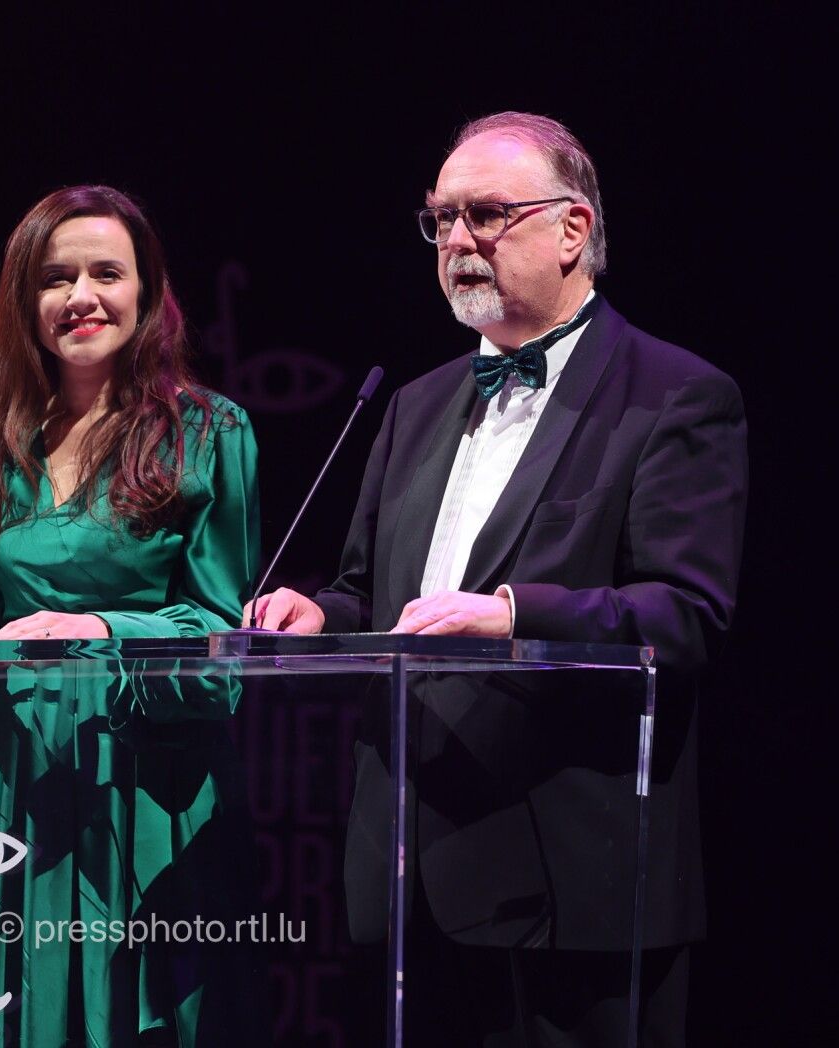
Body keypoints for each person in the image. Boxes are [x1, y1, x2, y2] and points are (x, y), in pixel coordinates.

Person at [251, 113, 747, 1045]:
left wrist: (515, 613)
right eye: (441, 219)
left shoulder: (676, 395)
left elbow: (684, 614)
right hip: (413, 874)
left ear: (572, 229)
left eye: (486, 214)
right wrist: (318, 613)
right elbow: (375, 593)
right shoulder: (413, 404)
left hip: (572, 886)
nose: (457, 240)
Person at [0, 185, 264, 1047]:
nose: (81, 296)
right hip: (12, 771)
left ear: (146, 292)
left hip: (145, 776)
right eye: (55, 278)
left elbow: (217, 638)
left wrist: (99, 632)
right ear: (25, 301)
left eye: (106, 273)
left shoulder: (209, 432)